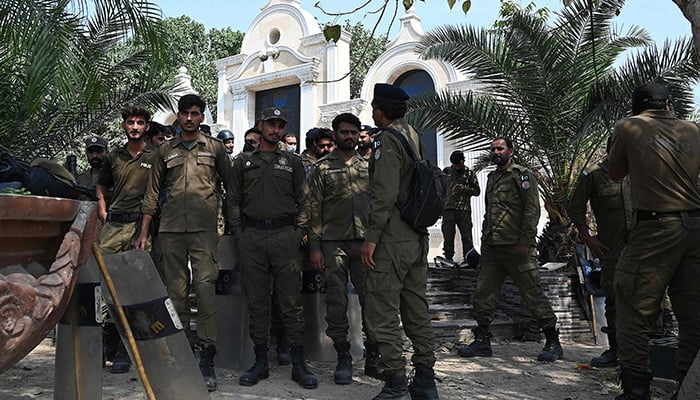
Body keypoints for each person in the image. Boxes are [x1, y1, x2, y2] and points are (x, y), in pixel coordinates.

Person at [608, 82, 700, 400]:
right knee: (692, 313)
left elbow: (615, 172)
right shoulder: (693, 129)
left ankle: (636, 389)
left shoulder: (628, 126)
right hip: (694, 227)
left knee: (633, 305)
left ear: (638, 107)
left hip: (656, 227)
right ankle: (687, 387)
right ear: (669, 104)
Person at [135, 94, 232, 392]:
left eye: (195, 113)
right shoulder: (164, 150)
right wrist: (143, 231)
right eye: (185, 114)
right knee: (175, 294)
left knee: (204, 291)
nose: (189, 118)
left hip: (204, 231)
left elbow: (232, 187)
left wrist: (231, 226)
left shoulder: (214, 148)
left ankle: (207, 357)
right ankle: (182, 352)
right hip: (171, 230)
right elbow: (152, 194)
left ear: (202, 117)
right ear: (178, 117)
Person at [229, 107, 317, 390]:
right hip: (253, 238)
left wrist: (298, 232)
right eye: (270, 124)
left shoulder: (292, 162)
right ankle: (260, 362)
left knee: (290, 303)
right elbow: (232, 201)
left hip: (284, 238)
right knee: (258, 302)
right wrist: (240, 235)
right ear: (261, 125)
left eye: (280, 125)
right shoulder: (242, 162)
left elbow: (305, 201)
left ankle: (298, 363)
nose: (275, 129)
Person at [360, 83, 438, 400]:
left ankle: (395, 383)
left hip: (391, 239)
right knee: (416, 310)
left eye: (375, 107)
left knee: (382, 312)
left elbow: (384, 195)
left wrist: (371, 239)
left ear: (380, 109)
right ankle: (425, 381)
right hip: (416, 238)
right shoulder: (413, 135)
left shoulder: (386, 141)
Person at [458, 137, 563, 364]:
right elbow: (489, 212)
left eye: (500, 148)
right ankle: (483, 339)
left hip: (517, 248)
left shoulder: (523, 176)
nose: (496, 152)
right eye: (493, 149)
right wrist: (485, 240)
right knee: (483, 295)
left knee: (533, 295)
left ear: (511, 152)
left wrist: (526, 242)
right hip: (493, 249)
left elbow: (531, 211)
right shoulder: (492, 177)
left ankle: (553, 341)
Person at [308, 112, 379, 385]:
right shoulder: (323, 168)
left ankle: (373, 357)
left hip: (364, 245)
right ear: (335, 135)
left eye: (354, 132)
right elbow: (314, 210)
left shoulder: (368, 166)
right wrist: (314, 246)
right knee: (336, 303)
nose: (350, 136)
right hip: (333, 244)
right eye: (344, 132)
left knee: (371, 301)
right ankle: (343, 357)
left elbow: (378, 205)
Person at [96, 106, 156, 374]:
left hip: (138, 227)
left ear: (147, 127)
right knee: (106, 287)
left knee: (134, 288)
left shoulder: (155, 156)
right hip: (112, 227)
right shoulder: (113, 157)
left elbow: (155, 195)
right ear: (124, 126)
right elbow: (101, 185)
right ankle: (103, 346)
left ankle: (125, 350)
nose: (134, 126)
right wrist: (102, 208)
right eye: (130, 122)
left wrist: (143, 232)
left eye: (140, 122)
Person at [568, 140, 632, 368]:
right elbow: (575, 207)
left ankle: (647, 351)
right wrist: (587, 237)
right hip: (612, 249)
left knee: (648, 298)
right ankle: (615, 350)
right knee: (613, 298)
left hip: (644, 247)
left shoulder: (641, 169)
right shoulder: (593, 175)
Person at [441, 150, 480, 263]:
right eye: (454, 165)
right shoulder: (447, 172)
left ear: (463, 161)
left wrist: (465, 189)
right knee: (448, 235)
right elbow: (441, 188)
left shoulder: (469, 173)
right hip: (448, 209)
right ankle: (448, 258)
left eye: (458, 164)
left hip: (463, 210)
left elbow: (477, 191)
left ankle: (468, 259)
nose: (456, 167)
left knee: (466, 236)